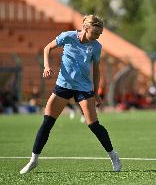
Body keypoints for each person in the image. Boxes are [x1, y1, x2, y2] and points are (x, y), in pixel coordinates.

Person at [20, 15, 121, 174]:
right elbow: (47, 48)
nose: (97, 37)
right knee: (47, 122)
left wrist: (96, 92)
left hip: (84, 88)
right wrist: (46, 67)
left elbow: (96, 70)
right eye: (95, 33)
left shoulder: (96, 46)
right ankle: (33, 160)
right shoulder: (68, 36)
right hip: (63, 86)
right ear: (86, 29)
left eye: (99, 34)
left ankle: (113, 156)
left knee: (94, 125)